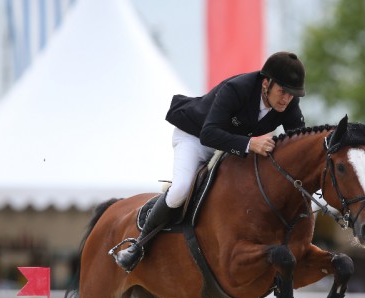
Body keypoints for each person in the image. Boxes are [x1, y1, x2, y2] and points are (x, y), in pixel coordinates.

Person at [114, 51, 307, 272]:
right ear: (266, 83)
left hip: (230, 148)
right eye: (282, 91)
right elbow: (209, 134)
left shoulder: (288, 103)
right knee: (181, 189)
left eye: (291, 95)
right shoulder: (237, 89)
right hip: (196, 139)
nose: (286, 99)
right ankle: (138, 245)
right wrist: (250, 144)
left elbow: (298, 142)